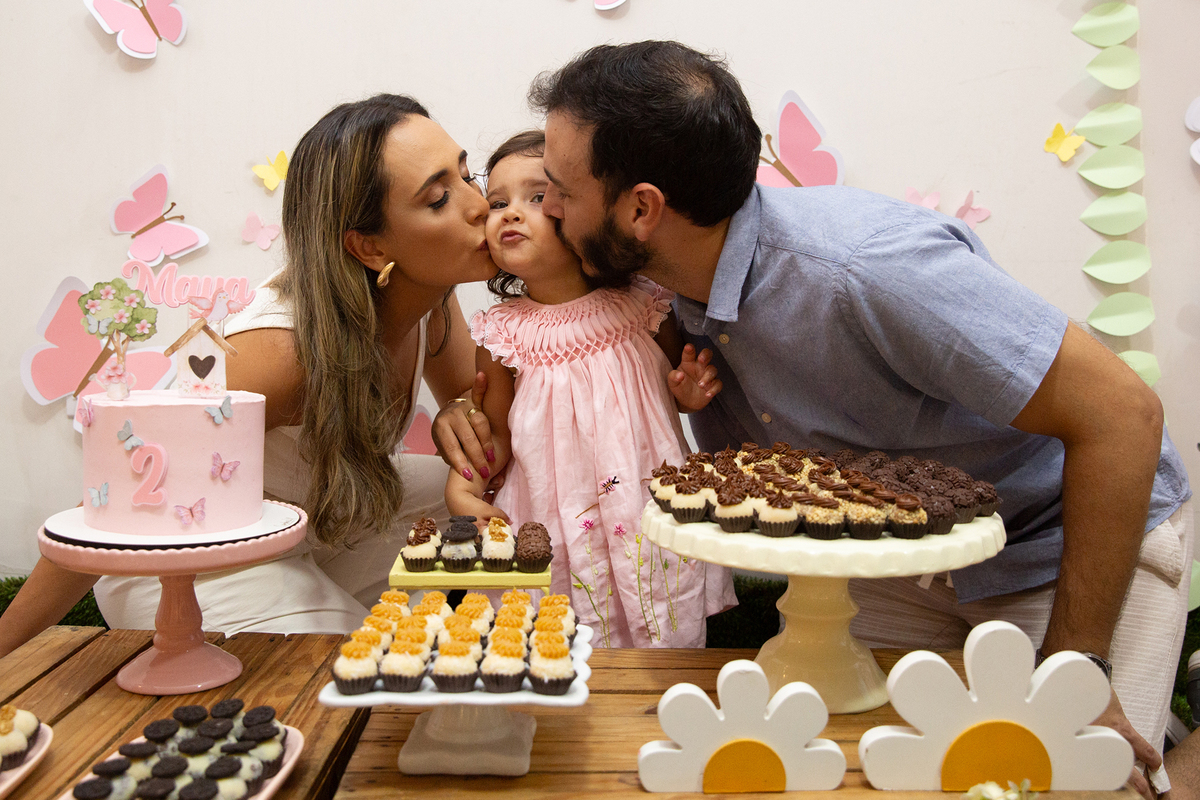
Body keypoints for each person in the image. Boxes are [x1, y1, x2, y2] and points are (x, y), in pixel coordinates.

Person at [508, 41, 1189, 799]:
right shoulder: (659, 289)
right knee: (845, 771)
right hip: (899, 558)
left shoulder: (869, 270)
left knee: (1070, 779)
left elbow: (1126, 415)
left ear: (642, 209)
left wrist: (1075, 670)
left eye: (560, 190)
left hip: (1058, 542)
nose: (549, 210)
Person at [0, 93, 499, 650]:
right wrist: (8, 649)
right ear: (368, 247)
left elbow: (468, 397)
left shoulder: (430, 297)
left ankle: (325, 604)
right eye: (438, 199)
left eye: (466, 175)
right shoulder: (282, 352)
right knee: (358, 672)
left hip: (317, 525)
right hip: (193, 561)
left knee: (474, 496)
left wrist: (458, 408)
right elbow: (116, 498)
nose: (479, 204)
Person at [443, 130, 736, 648]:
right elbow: (495, 432)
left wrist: (688, 392)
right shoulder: (501, 333)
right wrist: (462, 485)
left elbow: (666, 388)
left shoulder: (643, 301)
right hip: (551, 510)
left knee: (663, 615)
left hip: (644, 501)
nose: (510, 213)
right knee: (564, 638)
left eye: (537, 198)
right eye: (497, 203)